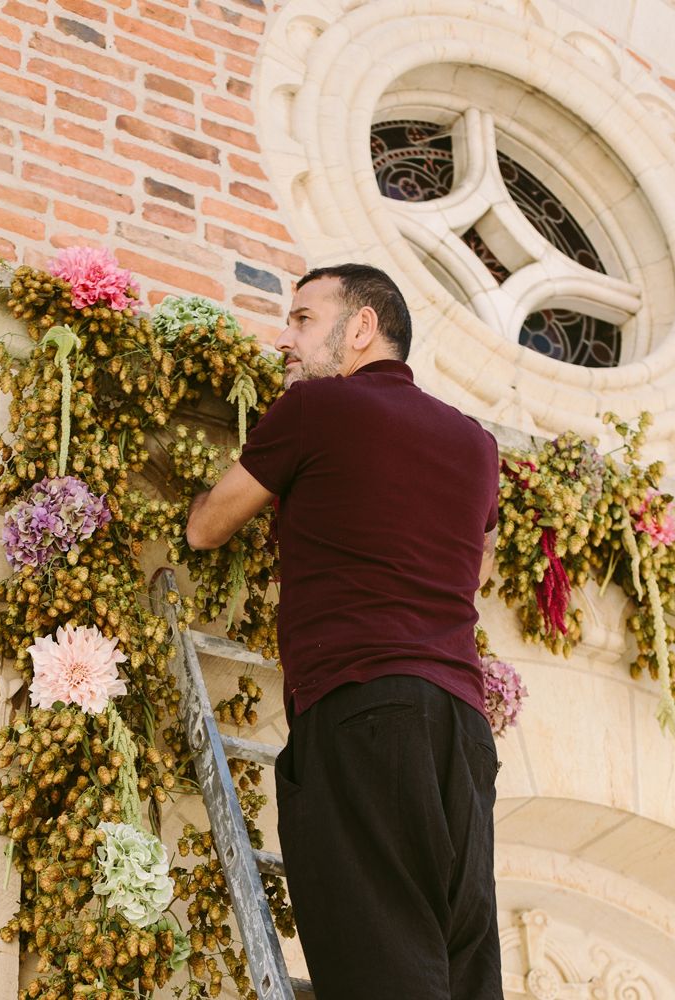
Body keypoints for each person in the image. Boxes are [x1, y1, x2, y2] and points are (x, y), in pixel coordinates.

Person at [185, 263, 503, 1000]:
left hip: (363, 718)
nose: (285, 340)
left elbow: (206, 527)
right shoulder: (476, 446)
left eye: (301, 319)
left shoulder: (317, 411)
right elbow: (477, 571)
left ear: (361, 327)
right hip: (462, 735)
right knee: (462, 973)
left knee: (378, 973)